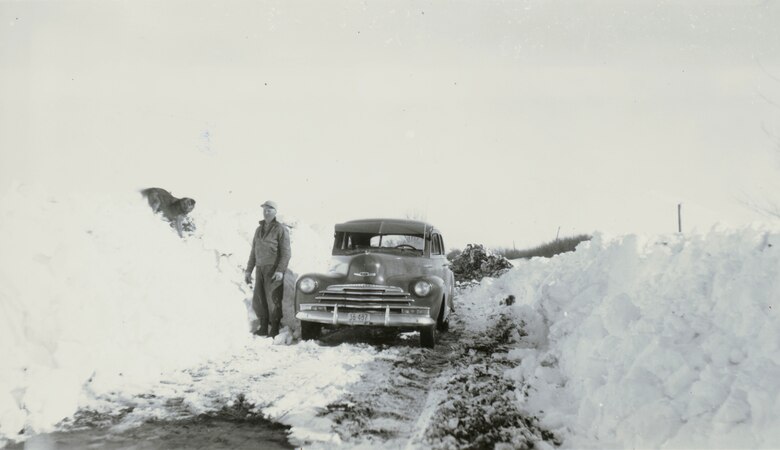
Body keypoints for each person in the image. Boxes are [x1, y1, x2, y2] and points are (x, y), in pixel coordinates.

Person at [244, 200, 291, 337]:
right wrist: (248, 270)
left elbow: (286, 253)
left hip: (273, 269)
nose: (266, 211)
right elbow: (253, 251)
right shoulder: (259, 230)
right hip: (260, 268)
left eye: (269, 209)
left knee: (273, 299)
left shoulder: (280, 229)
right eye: (264, 209)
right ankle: (264, 327)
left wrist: (280, 271)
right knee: (260, 299)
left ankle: (275, 328)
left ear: (275, 211)